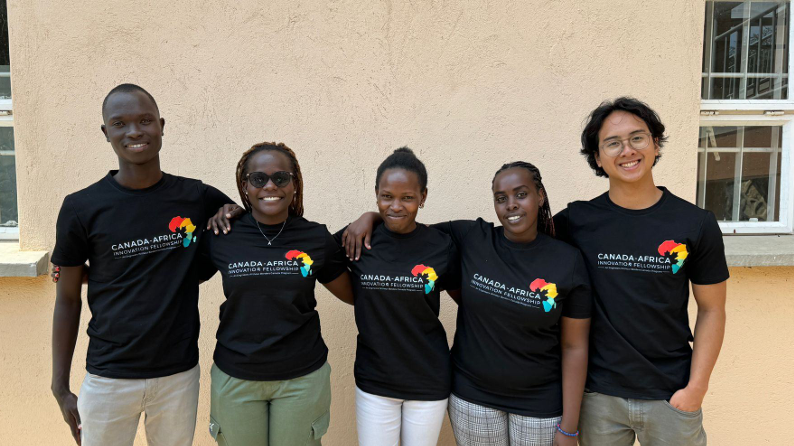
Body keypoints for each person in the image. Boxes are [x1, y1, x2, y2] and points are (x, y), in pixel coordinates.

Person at [343, 161, 591, 446]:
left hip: (540, 403)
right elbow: (404, 225)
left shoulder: (568, 261)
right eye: (501, 198)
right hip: (473, 398)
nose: (511, 205)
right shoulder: (472, 237)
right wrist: (370, 217)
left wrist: (570, 426)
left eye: (521, 194)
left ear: (540, 196)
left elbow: (575, 346)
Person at [50, 84, 234, 446]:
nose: (134, 131)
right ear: (106, 133)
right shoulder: (81, 208)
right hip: (108, 375)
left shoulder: (196, 197)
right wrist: (60, 385)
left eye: (145, 120)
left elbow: (243, 230)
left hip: (178, 373)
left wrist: (233, 210)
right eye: (120, 123)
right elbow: (67, 299)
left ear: (162, 126)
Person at [554, 97, 729, 446]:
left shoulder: (695, 223)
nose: (627, 150)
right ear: (598, 157)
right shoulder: (576, 221)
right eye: (613, 143)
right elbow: (523, 251)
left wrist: (696, 388)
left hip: (671, 394)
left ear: (655, 144)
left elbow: (712, 309)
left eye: (638, 137)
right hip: (598, 396)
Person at [196, 142, 353, 446]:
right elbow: (176, 278)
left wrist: (371, 219)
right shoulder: (221, 236)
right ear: (245, 186)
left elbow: (354, 294)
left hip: (302, 378)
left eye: (281, 178)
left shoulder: (314, 237)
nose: (270, 186)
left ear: (295, 183)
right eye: (258, 179)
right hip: (236, 375)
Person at [333, 147, 458, 446]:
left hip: (429, 379)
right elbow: (318, 260)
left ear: (423, 197)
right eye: (387, 196)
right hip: (375, 381)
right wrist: (369, 218)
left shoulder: (441, 245)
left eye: (408, 197)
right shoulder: (358, 238)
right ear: (376, 193)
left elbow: (469, 302)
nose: (396, 206)